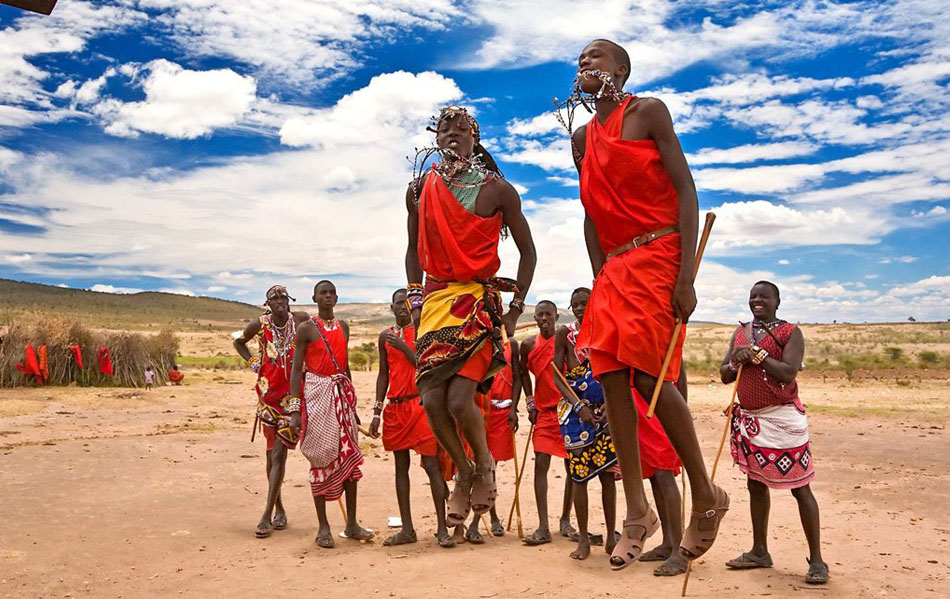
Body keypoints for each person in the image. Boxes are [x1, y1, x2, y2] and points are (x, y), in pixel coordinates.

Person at [565, 39, 728, 569]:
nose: (586, 63)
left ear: (622, 68)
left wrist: (685, 278)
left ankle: (705, 493)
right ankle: (637, 509)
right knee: (611, 376)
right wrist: (600, 276)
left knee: (644, 376)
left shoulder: (648, 112)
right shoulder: (582, 137)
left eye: (597, 56)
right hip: (615, 267)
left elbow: (686, 190)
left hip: (659, 253)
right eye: (581, 59)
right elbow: (591, 213)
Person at [405, 105, 537, 530]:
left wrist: (516, 310)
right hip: (435, 301)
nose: (452, 133)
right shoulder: (420, 188)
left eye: (462, 128)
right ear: (435, 136)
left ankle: (482, 464)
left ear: (475, 140)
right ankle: (463, 470)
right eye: (444, 128)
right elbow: (412, 248)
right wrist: (413, 297)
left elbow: (528, 252)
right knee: (430, 400)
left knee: (460, 399)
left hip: (477, 304)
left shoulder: (498, 190)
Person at [721, 281, 827, 584]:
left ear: (777, 301)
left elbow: (787, 372)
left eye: (764, 297)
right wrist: (735, 360)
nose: (757, 301)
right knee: (755, 485)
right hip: (752, 421)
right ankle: (759, 551)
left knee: (800, 487)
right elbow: (725, 376)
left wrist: (756, 355)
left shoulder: (789, 332)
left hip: (783, 419)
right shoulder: (740, 332)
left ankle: (817, 560)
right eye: (753, 296)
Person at [288, 280, 373, 548]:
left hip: (341, 397)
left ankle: (351, 524)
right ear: (314, 298)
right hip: (316, 395)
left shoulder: (344, 327)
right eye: (322, 293)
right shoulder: (306, 329)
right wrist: (295, 410)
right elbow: (295, 369)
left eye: (331, 293)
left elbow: (345, 368)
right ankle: (323, 527)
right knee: (320, 457)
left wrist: (351, 405)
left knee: (349, 459)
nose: (327, 296)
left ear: (337, 298)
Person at [370, 288, 455, 547]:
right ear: (391, 307)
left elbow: (426, 364)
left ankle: (442, 529)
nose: (401, 308)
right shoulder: (385, 337)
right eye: (397, 303)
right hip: (395, 409)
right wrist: (376, 411)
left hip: (420, 406)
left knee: (432, 467)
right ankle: (407, 529)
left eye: (406, 304)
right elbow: (383, 374)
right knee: (400, 468)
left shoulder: (423, 332)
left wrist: (405, 348)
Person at [233, 285, 309, 539]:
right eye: (274, 298)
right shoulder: (260, 324)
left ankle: (267, 514)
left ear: (289, 301)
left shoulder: (300, 320)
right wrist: (254, 362)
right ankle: (278, 508)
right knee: (271, 455)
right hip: (268, 396)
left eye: (283, 297)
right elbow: (239, 342)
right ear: (267, 303)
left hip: (293, 398)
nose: (279, 301)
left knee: (279, 454)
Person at [551, 288, 617, 560]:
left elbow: (615, 372)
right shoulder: (564, 334)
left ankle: (612, 537)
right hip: (576, 416)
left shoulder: (607, 330)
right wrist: (579, 406)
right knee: (579, 476)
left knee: (607, 476)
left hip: (605, 414)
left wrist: (610, 410)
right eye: (575, 304)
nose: (579, 308)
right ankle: (583, 540)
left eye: (584, 303)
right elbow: (557, 375)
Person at [520, 300, 575, 545]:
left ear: (556, 317)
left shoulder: (566, 342)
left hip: (568, 411)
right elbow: (522, 372)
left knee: (572, 468)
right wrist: (530, 401)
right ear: (535, 317)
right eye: (539, 315)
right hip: (543, 412)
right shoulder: (529, 344)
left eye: (548, 315)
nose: (544, 319)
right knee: (540, 463)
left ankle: (565, 520)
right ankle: (543, 526)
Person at [463, 338, 522, 543]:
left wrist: (514, 408)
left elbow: (518, 377)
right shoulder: (476, 342)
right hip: (479, 412)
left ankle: (477, 522)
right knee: (482, 466)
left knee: (490, 466)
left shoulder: (511, 345)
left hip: (502, 414)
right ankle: (487, 519)